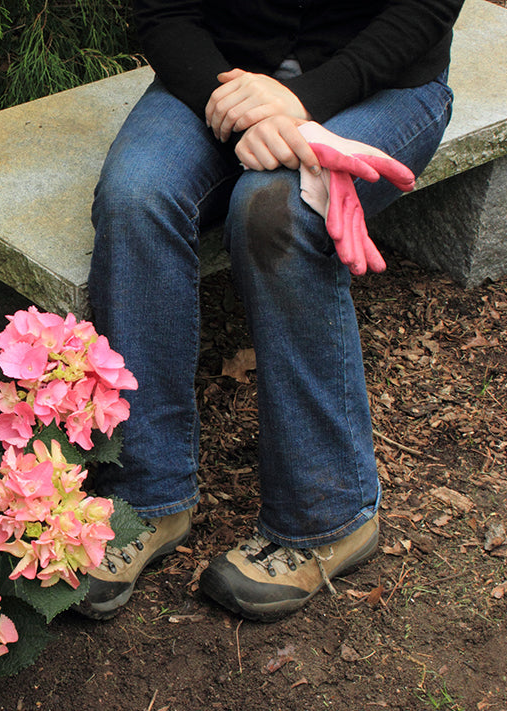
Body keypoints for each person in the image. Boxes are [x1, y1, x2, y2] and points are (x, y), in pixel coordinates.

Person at [81, 0, 465, 621]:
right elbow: (163, 12)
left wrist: (300, 103)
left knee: (276, 208)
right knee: (137, 197)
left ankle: (329, 516)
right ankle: (147, 496)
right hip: (219, 79)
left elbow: (422, 10)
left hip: (381, 85)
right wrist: (241, 110)